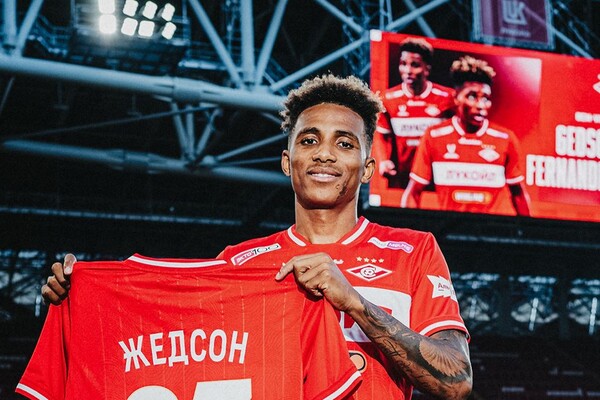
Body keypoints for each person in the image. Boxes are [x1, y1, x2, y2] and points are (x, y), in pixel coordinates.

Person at [41, 74, 473, 400]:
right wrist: (79, 300)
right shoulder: (238, 262)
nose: (324, 153)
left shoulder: (413, 250)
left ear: (367, 168)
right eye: (309, 140)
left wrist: (355, 303)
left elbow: (456, 381)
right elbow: (174, 354)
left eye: (345, 144)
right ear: (288, 161)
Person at [401, 56, 531, 216]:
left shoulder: (505, 139)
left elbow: (519, 195)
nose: (480, 105)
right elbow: (413, 193)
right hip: (450, 229)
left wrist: (528, 229)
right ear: (456, 98)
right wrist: (408, 228)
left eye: (486, 98)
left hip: (492, 229)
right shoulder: (434, 136)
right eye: (472, 96)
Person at [372, 37, 455, 189]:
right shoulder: (388, 99)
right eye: (403, 64)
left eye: (415, 65)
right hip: (404, 178)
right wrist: (383, 161)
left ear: (427, 69)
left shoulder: (448, 97)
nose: (408, 71)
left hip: (437, 179)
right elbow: (381, 135)